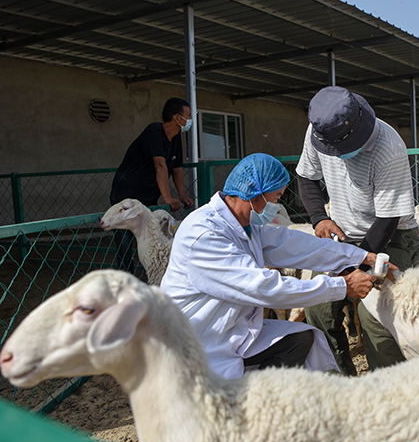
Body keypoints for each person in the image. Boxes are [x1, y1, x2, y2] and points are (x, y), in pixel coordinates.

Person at [160, 152, 385, 380]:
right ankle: (251, 398)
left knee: (301, 338)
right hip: (197, 340)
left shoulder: (245, 227)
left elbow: (296, 244)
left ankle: (264, 393)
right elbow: (263, 287)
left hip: (229, 331)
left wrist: (361, 256)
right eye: (276, 197)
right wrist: (342, 286)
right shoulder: (204, 235)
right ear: (253, 192)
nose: (277, 205)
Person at [296, 86, 419, 375]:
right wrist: (319, 219)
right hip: (343, 234)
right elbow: (306, 177)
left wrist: (353, 267)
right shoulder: (319, 131)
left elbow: (388, 219)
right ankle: (339, 379)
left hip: (389, 235)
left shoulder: (388, 148)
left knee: (374, 310)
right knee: (317, 304)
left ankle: (389, 387)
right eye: (331, 151)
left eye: (341, 150)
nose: (336, 157)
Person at [109, 97, 195, 272]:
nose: (190, 119)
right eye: (189, 115)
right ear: (177, 117)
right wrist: (168, 197)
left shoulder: (177, 138)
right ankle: (126, 277)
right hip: (127, 192)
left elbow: (177, 168)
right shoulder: (154, 131)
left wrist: (182, 195)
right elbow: (160, 165)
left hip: (148, 195)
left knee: (150, 235)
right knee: (125, 238)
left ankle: (154, 272)